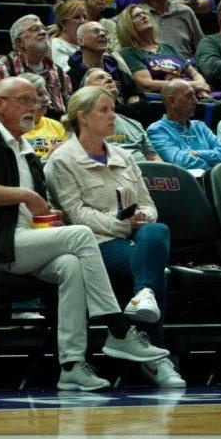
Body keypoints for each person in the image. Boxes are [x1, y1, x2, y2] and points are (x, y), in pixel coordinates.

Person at [0, 75, 169, 390]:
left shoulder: (26, 148)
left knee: (71, 265)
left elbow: (38, 209)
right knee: (79, 235)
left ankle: (71, 365)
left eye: (36, 101)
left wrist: (51, 217)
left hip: (26, 241)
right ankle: (118, 329)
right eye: (23, 100)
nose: (33, 107)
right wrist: (25, 196)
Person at [45, 86, 184, 388]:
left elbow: (148, 203)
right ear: (83, 116)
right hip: (94, 244)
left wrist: (142, 217)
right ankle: (154, 359)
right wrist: (123, 226)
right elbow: (76, 214)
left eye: (113, 109)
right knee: (155, 269)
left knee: (157, 229)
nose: (113, 116)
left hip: (135, 236)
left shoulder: (123, 156)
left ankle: (141, 305)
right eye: (104, 110)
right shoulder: (62, 161)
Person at [0, 14, 72, 117]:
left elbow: (70, 110)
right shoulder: (3, 64)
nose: (43, 32)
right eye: (35, 29)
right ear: (20, 42)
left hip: (54, 130)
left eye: (43, 29)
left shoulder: (60, 73)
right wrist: (12, 119)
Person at [116, 3, 208, 97]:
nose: (143, 16)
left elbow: (195, 73)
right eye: (137, 15)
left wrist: (201, 89)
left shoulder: (168, 47)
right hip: (164, 101)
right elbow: (147, 85)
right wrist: (191, 85)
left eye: (144, 13)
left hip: (193, 95)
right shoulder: (129, 53)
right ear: (127, 26)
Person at [146, 80, 221, 172]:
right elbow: (179, 163)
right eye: (189, 96)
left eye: (195, 95)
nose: (196, 101)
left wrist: (197, 153)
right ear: (172, 101)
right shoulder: (156, 130)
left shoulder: (200, 126)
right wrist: (213, 168)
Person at [81, 68, 157, 162]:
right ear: (86, 89)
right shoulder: (82, 122)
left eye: (111, 78)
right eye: (100, 78)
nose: (109, 80)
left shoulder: (135, 124)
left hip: (144, 174)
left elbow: (155, 159)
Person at [66, 21, 135, 100]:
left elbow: (140, 97)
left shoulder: (115, 69)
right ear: (81, 41)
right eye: (95, 31)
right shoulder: (72, 76)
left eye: (104, 32)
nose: (102, 34)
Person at [19, 72, 68, 160]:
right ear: (24, 99)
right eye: (40, 95)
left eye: (46, 94)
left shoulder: (56, 126)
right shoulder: (13, 128)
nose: (46, 99)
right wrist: (46, 157)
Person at [50, 0, 87, 71]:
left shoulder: (87, 42)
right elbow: (66, 75)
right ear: (63, 23)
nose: (83, 21)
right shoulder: (57, 44)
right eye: (77, 17)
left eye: (85, 17)